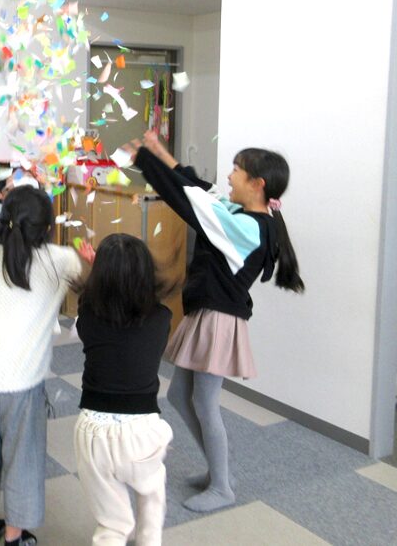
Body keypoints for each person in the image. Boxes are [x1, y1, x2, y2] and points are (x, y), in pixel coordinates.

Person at [120, 131, 304, 513]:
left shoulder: (248, 227)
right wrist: (160, 154)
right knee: (178, 396)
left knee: (205, 404)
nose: (230, 175)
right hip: (210, 312)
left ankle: (223, 486)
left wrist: (144, 160)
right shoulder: (244, 212)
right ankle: (218, 472)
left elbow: (190, 201)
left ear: (258, 184)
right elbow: (199, 188)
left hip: (220, 319)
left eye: (237, 170)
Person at [0, 185, 82, 546]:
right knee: (22, 461)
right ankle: (13, 538)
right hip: (24, 383)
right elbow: (85, 277)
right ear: (47, 227)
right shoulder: (61, 261)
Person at [73, 233, 175, 546]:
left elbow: (94, 301)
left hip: (92, 435)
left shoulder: (88, 316)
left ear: (100, 276)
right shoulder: (161, 318)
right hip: (140, 432)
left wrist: (98, 269)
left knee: (113, 524)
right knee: (152, 494)